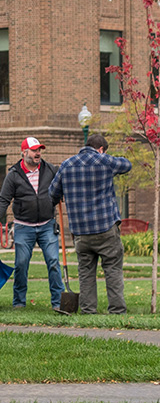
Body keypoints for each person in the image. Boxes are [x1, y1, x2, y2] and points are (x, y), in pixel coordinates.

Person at [48, 132, 131, 315]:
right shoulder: (105, 161)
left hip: (80, 232)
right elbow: (127, 165)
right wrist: (107, 158)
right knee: (112, 269)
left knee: (86, 272)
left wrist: (60, 196)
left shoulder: (66, 165)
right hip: (105, 228)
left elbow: (52, 193)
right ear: (101, 149)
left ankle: (88, 310)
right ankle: (117, 310)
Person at [0, 136, 64, 311]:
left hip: (47, 225)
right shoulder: (13, 175)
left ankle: (58, 302)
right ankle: (19, 302)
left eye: (39, 150)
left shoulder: (50, 170)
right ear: (24, 153)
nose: (38, 153)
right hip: (23, 227)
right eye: (34, 150)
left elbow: (62, 185)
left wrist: (62, 193)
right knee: (21, 264)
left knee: (53, 262)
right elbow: (3, 200)